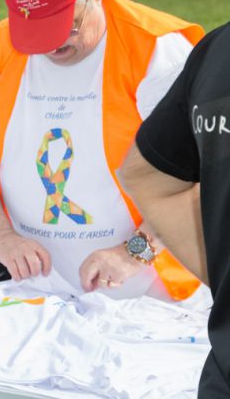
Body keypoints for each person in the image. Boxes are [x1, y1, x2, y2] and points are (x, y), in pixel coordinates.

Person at [0, 0, 205, 299]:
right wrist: (2, 238)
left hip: (147, 290)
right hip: (29, 285)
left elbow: (198, 173)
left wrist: (133, 253)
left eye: (67, 27)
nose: (51, 46)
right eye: (36, 33)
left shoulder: (156, 49)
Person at [119, 22, 230, 397]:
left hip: (156, 286)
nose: (55, 46)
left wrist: (134, 252)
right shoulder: (0, 50)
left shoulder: (165, 47)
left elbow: (149, 177)